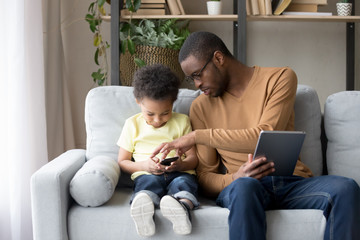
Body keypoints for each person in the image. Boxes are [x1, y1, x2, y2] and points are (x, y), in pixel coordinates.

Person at [151, 31, 360, 240]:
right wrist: (234, 177)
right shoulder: (200, 108)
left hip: (291, 182)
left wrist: (198, 136)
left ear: (218, 58)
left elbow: (264, 132)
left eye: (197, 75)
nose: (196, 84)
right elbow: (205, 177)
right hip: (244, 186)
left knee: (346, 188)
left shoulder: (279, 78)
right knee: (244, 187)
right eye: (191, 79)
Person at [117, 64, 199, 237]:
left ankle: (182, 209)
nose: (157, 120)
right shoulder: (132, 125)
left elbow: (194, 159)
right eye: (150, 114)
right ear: (138, 102)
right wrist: (145, 166)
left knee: (183, 184)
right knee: (147, 186)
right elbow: (122, 162)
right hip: (147, 174)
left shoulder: (183, 122)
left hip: (179, 173)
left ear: (173, 103)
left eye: (165, 113)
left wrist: (181, 164)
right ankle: (144, 212)